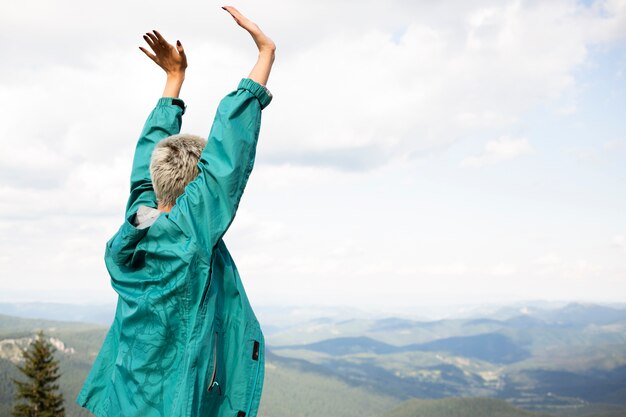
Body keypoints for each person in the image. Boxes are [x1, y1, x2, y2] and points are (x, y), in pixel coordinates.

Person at [76, 6, 275, 417]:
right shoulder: (189, 235)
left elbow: (143, 173)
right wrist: (264, 56)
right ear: (196, 190)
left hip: (124, 400)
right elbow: (227, 157)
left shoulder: (137, 221)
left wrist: (173, 81)